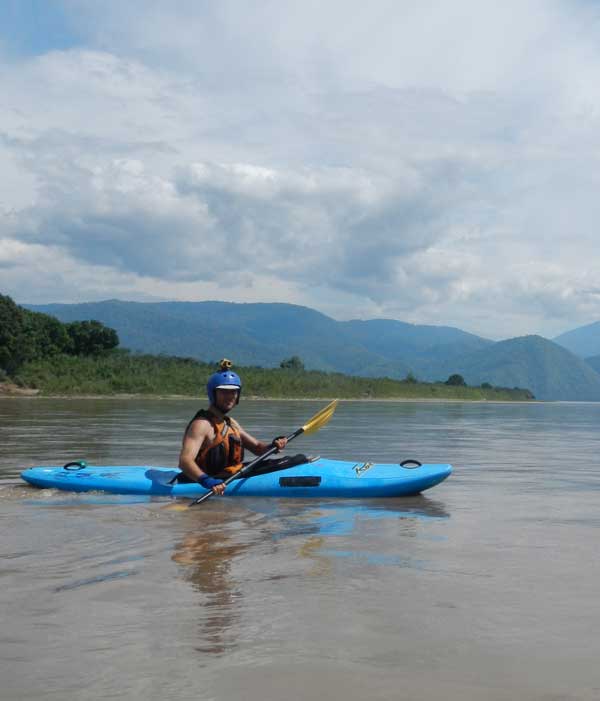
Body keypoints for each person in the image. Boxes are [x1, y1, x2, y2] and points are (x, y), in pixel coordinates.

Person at [178, 359, 288, 495]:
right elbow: (184, 461)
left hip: (228, 475)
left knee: (288, 462)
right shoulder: (201, 425)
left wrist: (274, 445)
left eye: (233, 392)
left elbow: (258, 448)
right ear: (213, 394)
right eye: (224, 392)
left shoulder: (230, 423)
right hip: (207, 480)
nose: (230, 396)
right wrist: (207, 481)